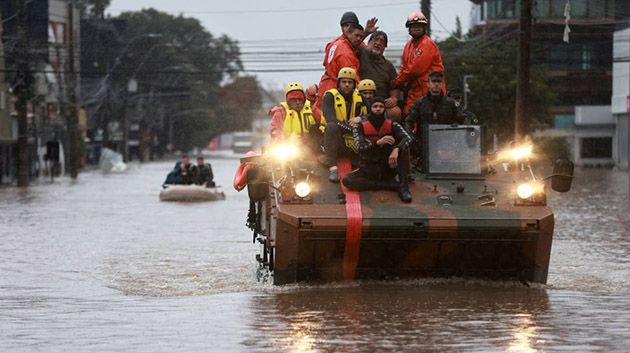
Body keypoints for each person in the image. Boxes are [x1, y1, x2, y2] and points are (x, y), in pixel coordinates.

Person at [342, 97, 413, 202]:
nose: (378, 109)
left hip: (387, 168)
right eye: (375, 106)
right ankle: (390, 186)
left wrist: (396, 149)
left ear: (384, 109)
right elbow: (359, 146)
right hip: (368, 168)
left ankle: (404, 188)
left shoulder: (393, 125)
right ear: (371, 108)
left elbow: (407, 138)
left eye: (381, 106)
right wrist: (377, 143)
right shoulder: (360, 127)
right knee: (347, 180)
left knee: (403, 151)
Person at [315, 12, 378, 109]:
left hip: (326, 85)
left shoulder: (336, 43)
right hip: (335, 88)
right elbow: (354, 80)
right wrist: (366, 101)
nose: (348, 28)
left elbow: (357, 42)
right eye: (346, 25)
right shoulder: (345, 54)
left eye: (351, 25)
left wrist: (365, 33)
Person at [405, 72, 468, 159]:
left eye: (439, 82)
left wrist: (457, 131)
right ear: (428, 84)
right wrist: (410, 136)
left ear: (442, 84)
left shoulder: (451, 103)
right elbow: (409, 121)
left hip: (447, 144)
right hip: (424, 144)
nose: (436, 84)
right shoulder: (419, 103)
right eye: (434, 81)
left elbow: (463, 119)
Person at [320, 67, 368, 182]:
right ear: (338, 83)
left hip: (354, 140)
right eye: (344, 82)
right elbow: (331, 119)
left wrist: (360, 118)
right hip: (334, 139)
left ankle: (364, 166)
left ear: (354, 84)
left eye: (350, 82)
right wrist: (353, 129)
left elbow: (372, 115)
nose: (347, 85)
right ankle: (333, 168)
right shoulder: (329, 97)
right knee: (331, 127)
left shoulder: (360, 97)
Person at [393, 11, 445, 113]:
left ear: (424, 27)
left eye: (419, 25)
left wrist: (397, 82)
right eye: (413, 25)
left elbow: (415, 69)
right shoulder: (409, 45)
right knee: (409, 115)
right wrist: (398, 80)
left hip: (430, 89)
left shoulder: (427, 44)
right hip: (414, 89)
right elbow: (404, 67)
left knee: (426, 118)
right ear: (409, 28)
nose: (416, 27)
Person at [357, 30, 402, 121]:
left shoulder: (388, 66)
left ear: (385, 46)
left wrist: (394, 98)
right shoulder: (361, 54)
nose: (378, 43)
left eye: (382, 41)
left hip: (380, 105)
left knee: (395, 112)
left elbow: (395, 86)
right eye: (375, 39)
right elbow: (354, 42)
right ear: (369, 42)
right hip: (361, 101)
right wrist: (366, 32)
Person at [269, 82, 322, 153]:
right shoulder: (281, 112)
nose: (297, 102)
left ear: (304, 100)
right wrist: (280, 142)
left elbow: (324, 123)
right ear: (288, 101)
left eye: (300, 99)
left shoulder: (312, 109)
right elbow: (275, 131)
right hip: (288, 150)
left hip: (311, 148)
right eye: (293, 100)